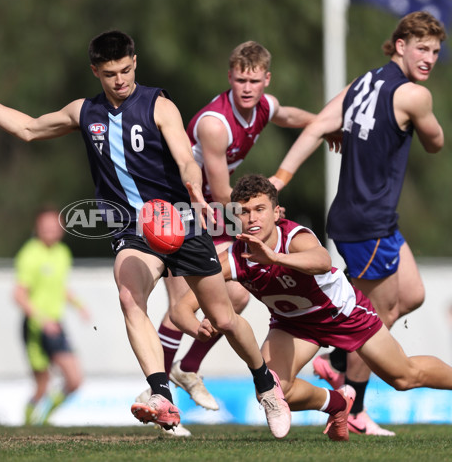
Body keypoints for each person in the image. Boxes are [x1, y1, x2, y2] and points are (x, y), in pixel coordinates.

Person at [0, 30, 290, 437]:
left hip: (178, 221)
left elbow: (185, 157)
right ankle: (160, 393)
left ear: (135, 63)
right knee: (129, 297)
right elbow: (27, 128)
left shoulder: (159, 106)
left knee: (224, 317)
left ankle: (266, 385)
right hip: (132, 229)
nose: (120, 80)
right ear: (95, 70)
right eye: (110, 73)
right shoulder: (83, 112)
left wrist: (195, 190)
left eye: (126, 70)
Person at [268, 11, 446, 436]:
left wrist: (280, 178)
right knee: (371, 320)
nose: (429, 58)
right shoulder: (414, 96)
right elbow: (436, 142)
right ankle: (356, 408)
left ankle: (339, 360)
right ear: (399, 45)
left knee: (412, 294)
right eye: (421, 48)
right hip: (366, 225)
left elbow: (316, 129)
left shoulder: (361, 85)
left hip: (376, 221)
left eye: (436, 51)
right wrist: (425, 125)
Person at [172, 174, 452, 441]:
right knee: (271, 392)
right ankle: (337, 403)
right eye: (244, 211)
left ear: (277, 212)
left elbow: (321, 259)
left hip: (343, 315)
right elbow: (182, 307)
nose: (252, 217)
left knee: (403, 377)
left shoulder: (294, 236)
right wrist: (197, 327)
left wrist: (275, 257)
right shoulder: (235, 257)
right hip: (292, 326)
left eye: (260, 209)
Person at [145, 41, 319, 425]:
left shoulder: (262, 106)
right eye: (240, 79)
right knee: (183, 307)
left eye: (254, 80)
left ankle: (187, 369)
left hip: (211, 213)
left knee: (237, 295)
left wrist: (320, 123)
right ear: (230, 77)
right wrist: (261, 216)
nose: (246, 87)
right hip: (179, 209)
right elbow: (224, 195)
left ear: (265, 80)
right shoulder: (214, 124)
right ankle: (158, 394)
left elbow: (285, 113)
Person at [14, 206, 89, 425]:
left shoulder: (62, 253)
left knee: (74, 380)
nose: (50, 230)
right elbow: (19, 295)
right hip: (36, 327)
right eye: (45, 226)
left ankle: (43, 418)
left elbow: (59, 287)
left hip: (55, 325)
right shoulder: (30, 254)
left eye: (54, 226)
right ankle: (29, 423)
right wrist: (42, 319)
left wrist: (79, 305)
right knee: (42, 385)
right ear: (37, 228)